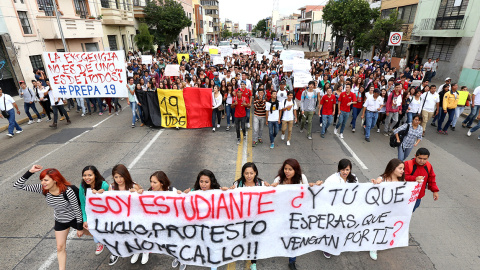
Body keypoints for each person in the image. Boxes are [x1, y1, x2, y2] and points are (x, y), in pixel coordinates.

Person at [14, 165, 84, 270]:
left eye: (46, 180)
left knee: (97, 235)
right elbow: (18, 185)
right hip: (60, 220)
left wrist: (79, 227)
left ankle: (105, 242)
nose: (43, 183)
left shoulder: (67, 191)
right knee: (60, 247)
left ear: (55, 180)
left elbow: (77, 209)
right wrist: (30, 171)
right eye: (42, 180)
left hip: (74, 219)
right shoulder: (43, 189)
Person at [271, 159, 321, 270]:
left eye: (290, 169)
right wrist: (271, 188)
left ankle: (292, 260)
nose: (287, 172)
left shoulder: (301, 179)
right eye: (285, 169)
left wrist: (315, 186)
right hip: (282, 213)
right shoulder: (278, 179)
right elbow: (273, 197)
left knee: (294, 236)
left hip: (297, 215)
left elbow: (308, 193)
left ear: (295, 170)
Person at [369, 158, 406, 261]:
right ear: (393, 168)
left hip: (393, 211)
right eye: (400, 168)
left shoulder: (402, 181)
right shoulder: (383, 179)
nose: (402, 171)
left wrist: (417, 183)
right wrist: (376, 182)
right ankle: (373, 247)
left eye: (403, 168)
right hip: (380, 211)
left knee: (387, 228)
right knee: (378, 228)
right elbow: (378, 181)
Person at [323, 158, 359, 258]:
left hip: (347, 209)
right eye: (343, 170)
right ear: (339, 169)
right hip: (334, 208)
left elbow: (358, 191)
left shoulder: (354, 178)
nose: (345, 172)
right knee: (332, 228)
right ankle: (327, 248)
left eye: (347, 170)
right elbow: (324, 192)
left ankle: (338, 244)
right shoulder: (331, 179)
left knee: (342, 228)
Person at [107, 164, 142, 265]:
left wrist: (136, 193)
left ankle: (137, 250)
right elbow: (108, 202)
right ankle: (115, 252)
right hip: (117, 217)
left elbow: (142, 202)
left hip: (132, 217)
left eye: (121, 176)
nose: (119, 179)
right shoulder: (112, 187)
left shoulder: (134, 185)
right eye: (116, 177)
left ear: (125, 175)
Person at [79, 166, 109, 255]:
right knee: (96, 235)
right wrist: (84, 219)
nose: (87, 178)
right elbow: (83, 203)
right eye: (84, 175)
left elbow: (110, 202)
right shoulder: (83, 186)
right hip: (91, 214)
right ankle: (99, 243)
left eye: (89, 175)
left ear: (95, 175)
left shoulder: (104, 185)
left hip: (104, 213)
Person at [404, 148, 439, 212]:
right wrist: (415, 178)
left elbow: (431, 179)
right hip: (405, 195)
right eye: (420, 158)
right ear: (415, 156)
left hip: (418, 196)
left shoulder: (428, 166)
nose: (422, 161)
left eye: (425, 159)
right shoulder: (407, 164)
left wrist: (435, 191)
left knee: (410, 213)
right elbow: (403, 176)